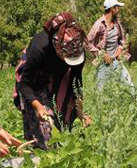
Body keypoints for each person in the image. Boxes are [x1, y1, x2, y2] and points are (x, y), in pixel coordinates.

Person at [14, 12, 91, 150]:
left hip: (58, 75)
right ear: (57, 48)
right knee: (43, 124)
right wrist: (38, 106)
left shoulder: (77, 49)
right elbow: (24, 84)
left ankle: (59, 148)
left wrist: (80, 111)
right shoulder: (39, 48)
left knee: (63, 116)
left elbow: (76, 81)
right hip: (34, 79)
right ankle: (41, 153)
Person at [87, 0, 134, 93]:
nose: (119, 9)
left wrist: (119, 49)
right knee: (100, 92)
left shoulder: (117, 23)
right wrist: (102, 54)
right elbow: (87, 42)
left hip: (116, 62)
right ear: (112, 9)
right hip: (103, 64)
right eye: (117, 7)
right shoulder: (99, 24)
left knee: (130, 86)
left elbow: (121, 39)